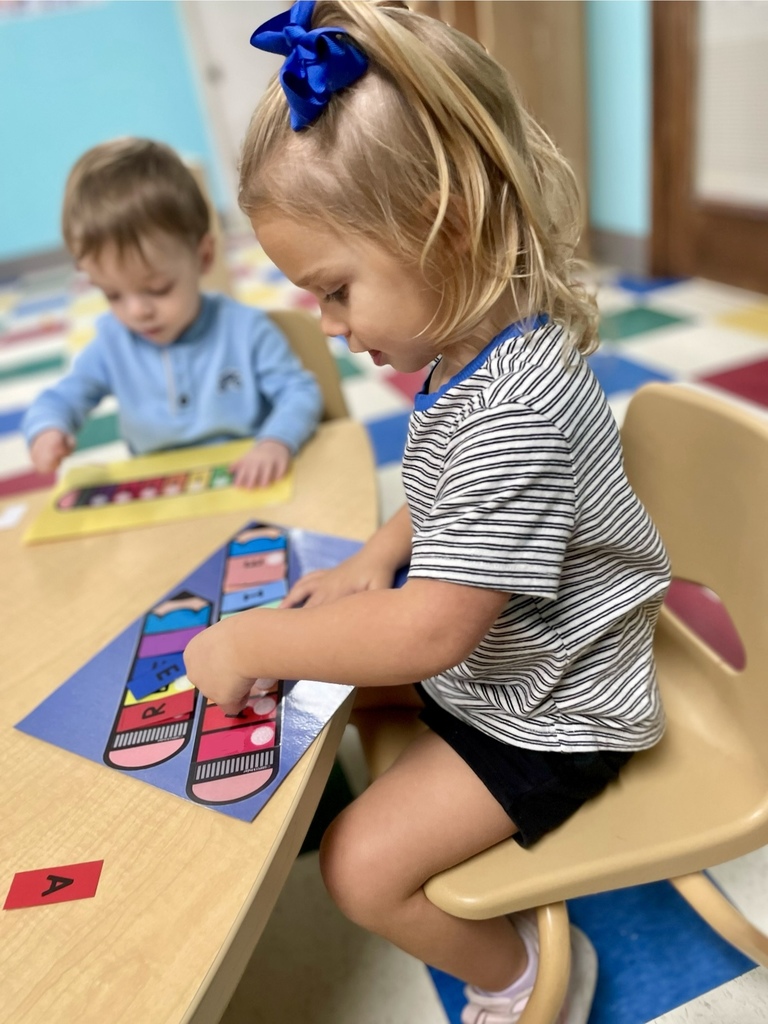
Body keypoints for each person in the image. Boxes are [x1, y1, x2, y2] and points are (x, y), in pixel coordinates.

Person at [184, 3, 671, 1021]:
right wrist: (378, 548)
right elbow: (455, 502)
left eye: (335, 290)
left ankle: (527, 975)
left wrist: (257, 636)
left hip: (561, 710)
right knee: (340, 683)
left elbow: (432, 627)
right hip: (520, 658)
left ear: (443, 231)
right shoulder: (479, 346)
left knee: (359, 868)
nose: (330, 323)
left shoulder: (516, 407)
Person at [22, 138, 322, 488]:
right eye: (113, 294)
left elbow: (299, 392)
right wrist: (47, 429)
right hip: (160, 494)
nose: (137, 311)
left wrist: (275, 441)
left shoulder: (246, 330)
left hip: (245, 479)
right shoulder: (112, 344)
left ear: (204, 257)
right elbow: (62, 397)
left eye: (157, 289)